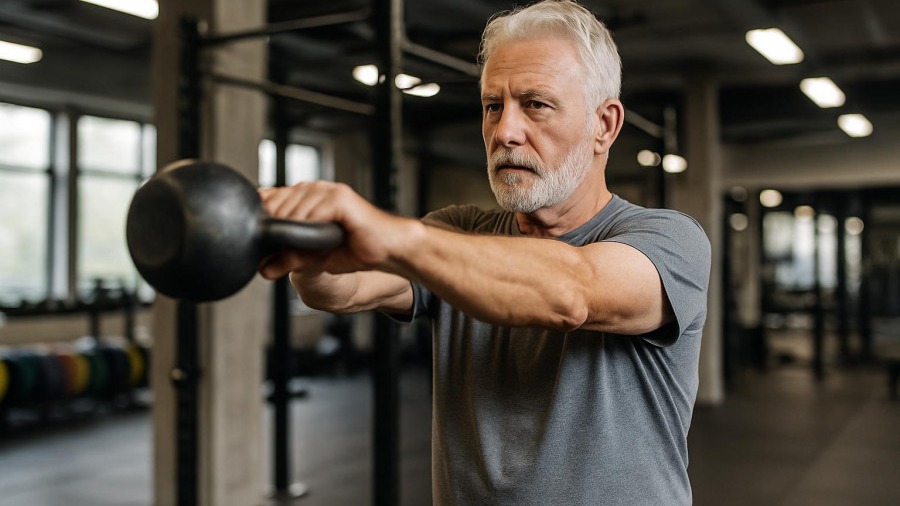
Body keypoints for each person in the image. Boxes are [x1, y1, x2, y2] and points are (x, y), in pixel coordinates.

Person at [258, 0, 711, 504]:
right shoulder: (458, 232)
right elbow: (343, 289)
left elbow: (571, 292)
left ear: (604, 125)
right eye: (493, 106)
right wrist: (308, 246)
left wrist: (395, 235)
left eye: (535, 104)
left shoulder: (670, 240)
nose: (504, 132)